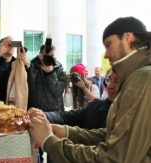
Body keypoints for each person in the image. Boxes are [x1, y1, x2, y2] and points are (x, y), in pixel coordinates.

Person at [28, 16, 151, 163]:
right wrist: (66, 132)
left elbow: (116, 158)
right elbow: (113, 135)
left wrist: (49, 141)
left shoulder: (143, 78)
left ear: (128, 37)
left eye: (108, 45)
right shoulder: (136, 77)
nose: (105, 54)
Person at [27, 44, 66, 163]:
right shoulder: (34, 66)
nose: (50, 59)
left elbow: (58, 91)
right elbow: (28, 86)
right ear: (40, 55)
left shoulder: (59, 69)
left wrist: (50, 73)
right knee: (35, 152)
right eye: (46, 56)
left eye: (53, 56)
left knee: (53, 152)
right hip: (36, 115)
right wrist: (33, 64)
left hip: (54, 115)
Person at [43, 69, 118, 129]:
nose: (110, 86)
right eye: (109, 80)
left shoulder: (92, 87)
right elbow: (68, 115)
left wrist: (83, 87)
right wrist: (43, 115)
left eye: (117, 81)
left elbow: (94, 99)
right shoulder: (96, 107)